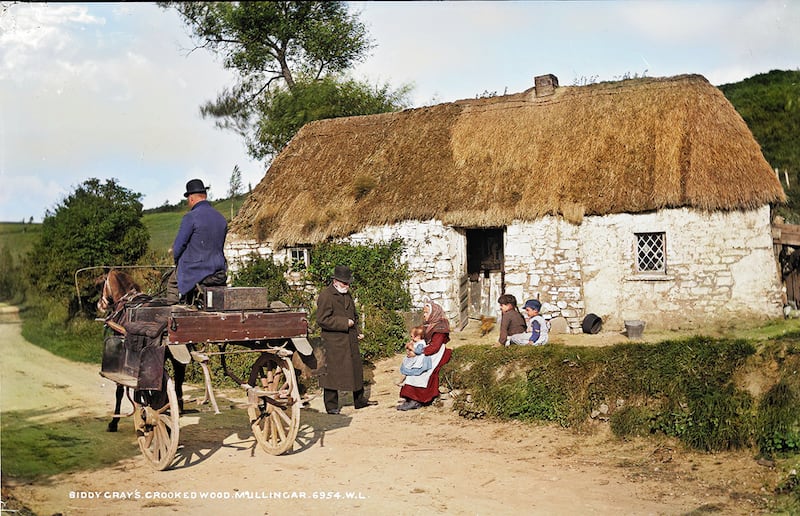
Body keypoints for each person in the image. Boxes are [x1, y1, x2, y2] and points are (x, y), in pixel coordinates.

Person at [316, 265, 377, 414]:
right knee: (331, 374)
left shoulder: (346, 294)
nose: (348, 286)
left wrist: (357, 331)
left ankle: (359, 401)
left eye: (349, 283)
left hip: (349, 338)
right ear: (335, 281)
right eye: (345, 283)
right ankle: (331, 407)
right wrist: (344, 323)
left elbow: (354, 316)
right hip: (333, 342)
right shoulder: (326, 295)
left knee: (356, 370)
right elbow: (322, 320)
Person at [166, 179, 228, 304]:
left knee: (172, 284)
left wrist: (177, 262)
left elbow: (179, 246)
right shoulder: (221, 218)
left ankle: (173, 314)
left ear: (191, 199)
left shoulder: (191, 217)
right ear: (205, 195)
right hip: (219, 269)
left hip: (195, 269)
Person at [397, 300, 452, 411]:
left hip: (436, 354)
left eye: (426, 313)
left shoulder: (440, 328)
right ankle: (410, 398)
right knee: (412, 367)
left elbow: (435, 347)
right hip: (426, 351)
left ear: (434, 313)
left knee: (422, 373)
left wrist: (418, 352)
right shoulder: (429, 325)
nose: (424, 315)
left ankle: (416, 400)